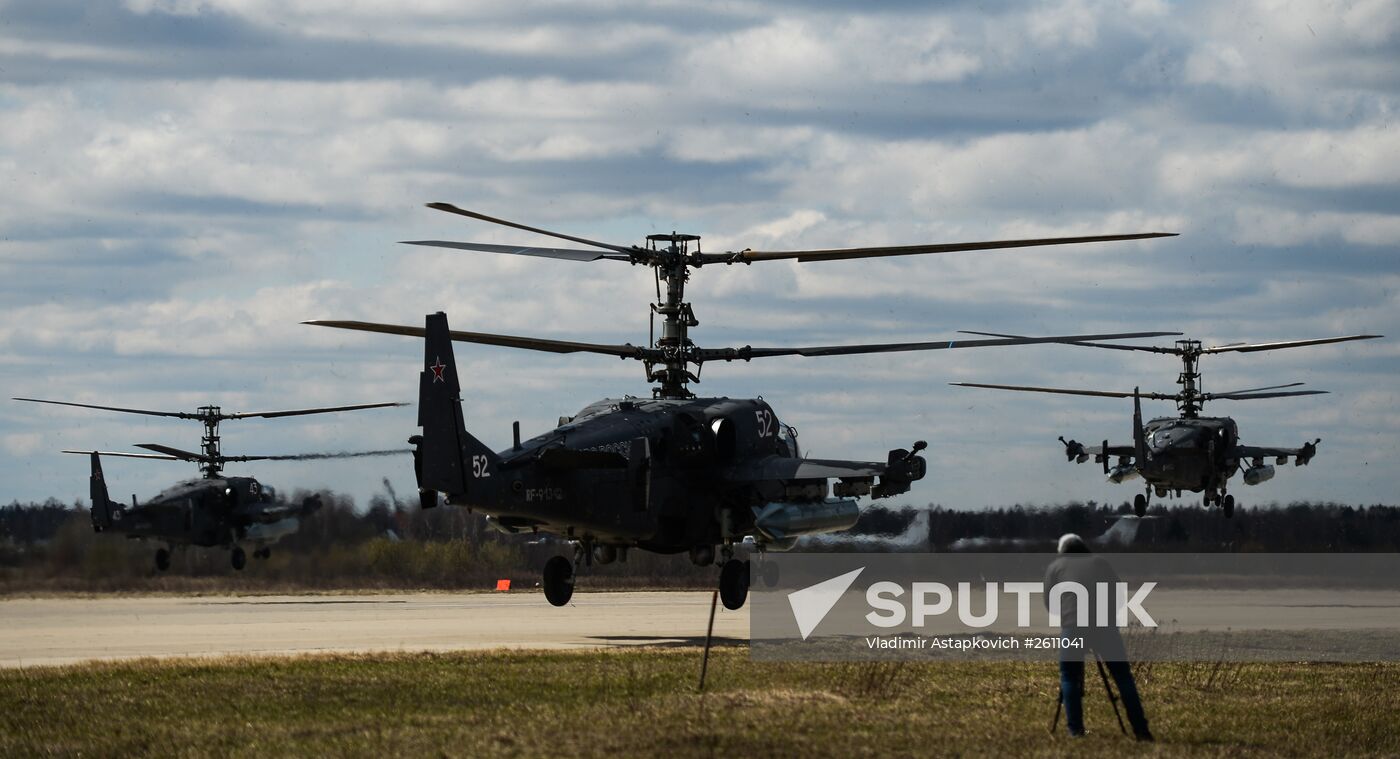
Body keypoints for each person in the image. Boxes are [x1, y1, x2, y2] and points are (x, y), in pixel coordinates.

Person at [1045, 533, 1154, 741]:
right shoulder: (1100, 562)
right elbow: (1119, 596)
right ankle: (1141, 730)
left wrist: (1069, 615)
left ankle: (1075, 731)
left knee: (1069, 677)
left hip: (1073, 627)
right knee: (1123, 677)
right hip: (1104, 627)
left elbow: (1050, 604)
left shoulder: (1055, 568)